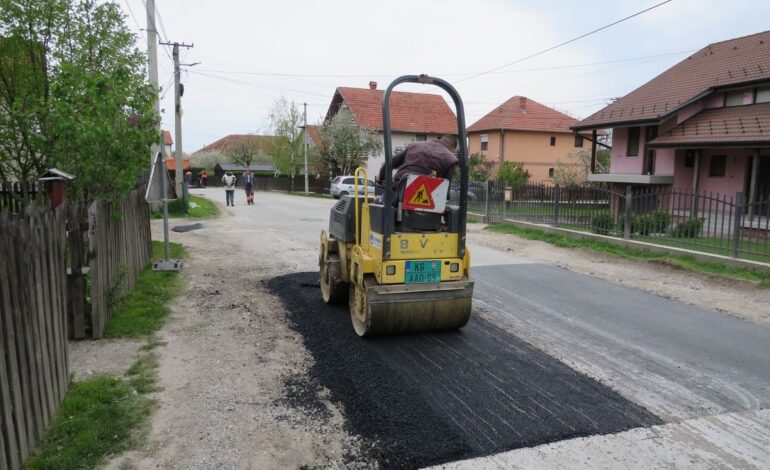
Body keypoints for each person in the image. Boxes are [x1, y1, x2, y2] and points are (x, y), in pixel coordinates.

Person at [377, 134, 459, 191]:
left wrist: (381, 180)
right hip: (430, 197)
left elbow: (388, 164)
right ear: (452, 148)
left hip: (401, 188)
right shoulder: (451, 159)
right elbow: (446, 188)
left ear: (441, 139)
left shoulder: (414, 146)